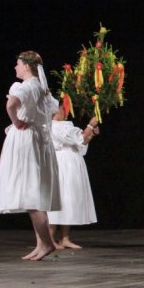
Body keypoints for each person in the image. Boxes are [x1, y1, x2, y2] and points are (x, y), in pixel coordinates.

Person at [0, 51, 61, 261]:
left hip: (27, 138)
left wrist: (17, 121)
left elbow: (10, 104)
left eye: (18, 64)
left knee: (31, 192)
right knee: (36, 191)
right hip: (39, 138)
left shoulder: (27, 86)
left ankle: (46, 244)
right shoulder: (42, 88)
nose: (16, 67)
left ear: (27, 67)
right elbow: (50, 113)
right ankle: (41, 243)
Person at [47, 106, 99, 250]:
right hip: (61, 164)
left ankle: (65, 238)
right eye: (62, 108)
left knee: (69, 200)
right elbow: (79, 138)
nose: (66, 111)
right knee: (59, 198)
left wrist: (90, 135)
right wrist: (90, 125)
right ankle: (49, 239)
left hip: (72, 164)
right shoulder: (53, 126)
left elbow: (81, 144)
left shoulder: (67, 126)